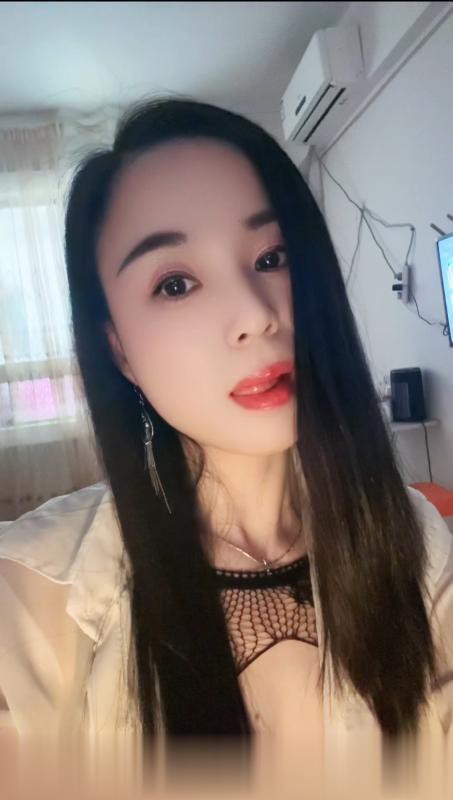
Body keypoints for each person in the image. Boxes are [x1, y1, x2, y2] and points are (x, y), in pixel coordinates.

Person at [0, 96, 452, 797]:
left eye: (271, 257)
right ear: (119, 351)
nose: (254, 314)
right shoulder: (32, 590)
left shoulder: (415, 539)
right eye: (175, 283)